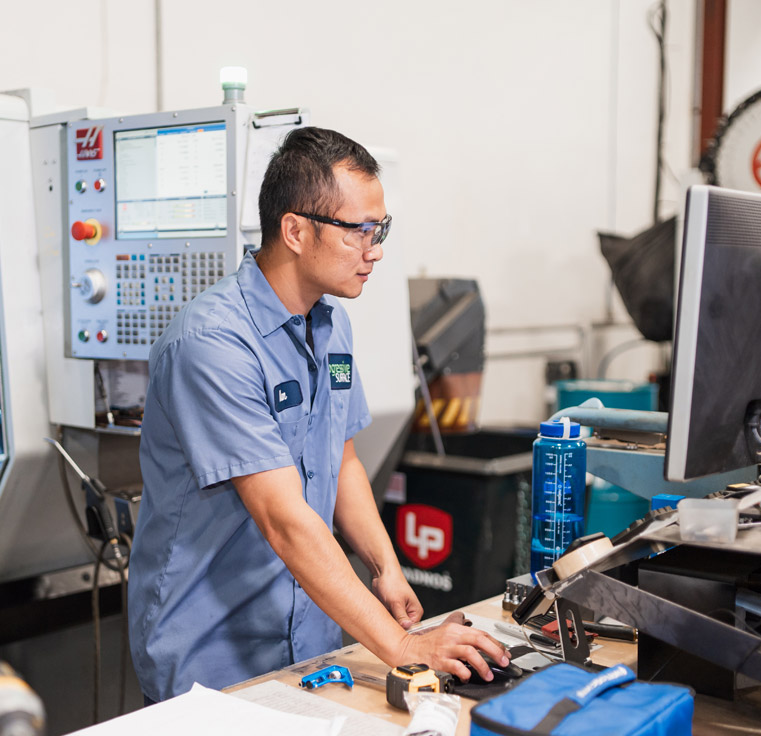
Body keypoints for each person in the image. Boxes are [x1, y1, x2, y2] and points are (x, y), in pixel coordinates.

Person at [128, 126, 509, 702]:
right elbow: (284, 519)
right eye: (359, 230)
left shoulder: (331, 328)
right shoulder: (212, 345)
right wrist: (401, 648)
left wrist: (385, 566)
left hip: (310, 635)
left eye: (379, 229)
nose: (375, 249)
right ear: (296, 230)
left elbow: (342, 457)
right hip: (215, 649)